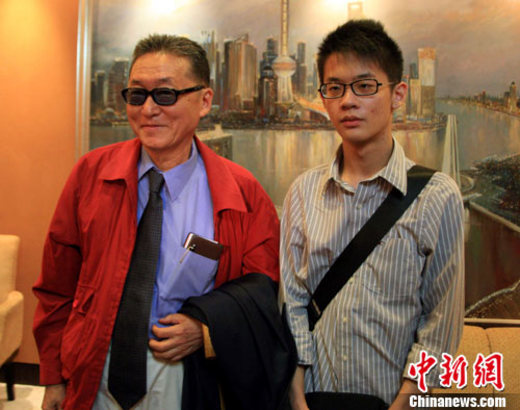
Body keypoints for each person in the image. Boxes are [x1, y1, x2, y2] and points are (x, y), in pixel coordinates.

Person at [33, 34, 294, 410]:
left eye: (166, 94)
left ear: (204, 101)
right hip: (93, 369)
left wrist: (206, 329)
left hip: (185, 377)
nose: (148, 109)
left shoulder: (241, 192)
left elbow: (260, 290)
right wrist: (53, 377)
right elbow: (56, 287)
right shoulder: (90, 175)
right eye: (137, 95)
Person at [280, 20, 465, 409]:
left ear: (398, 94)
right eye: (334, 88)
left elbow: (441, 326)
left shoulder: (437, 196)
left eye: (364, 86)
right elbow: (293, 303)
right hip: (313, 398)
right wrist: (297, 399)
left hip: (392, 401)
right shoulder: (303, 192)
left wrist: (404, 403)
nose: (348, 101)